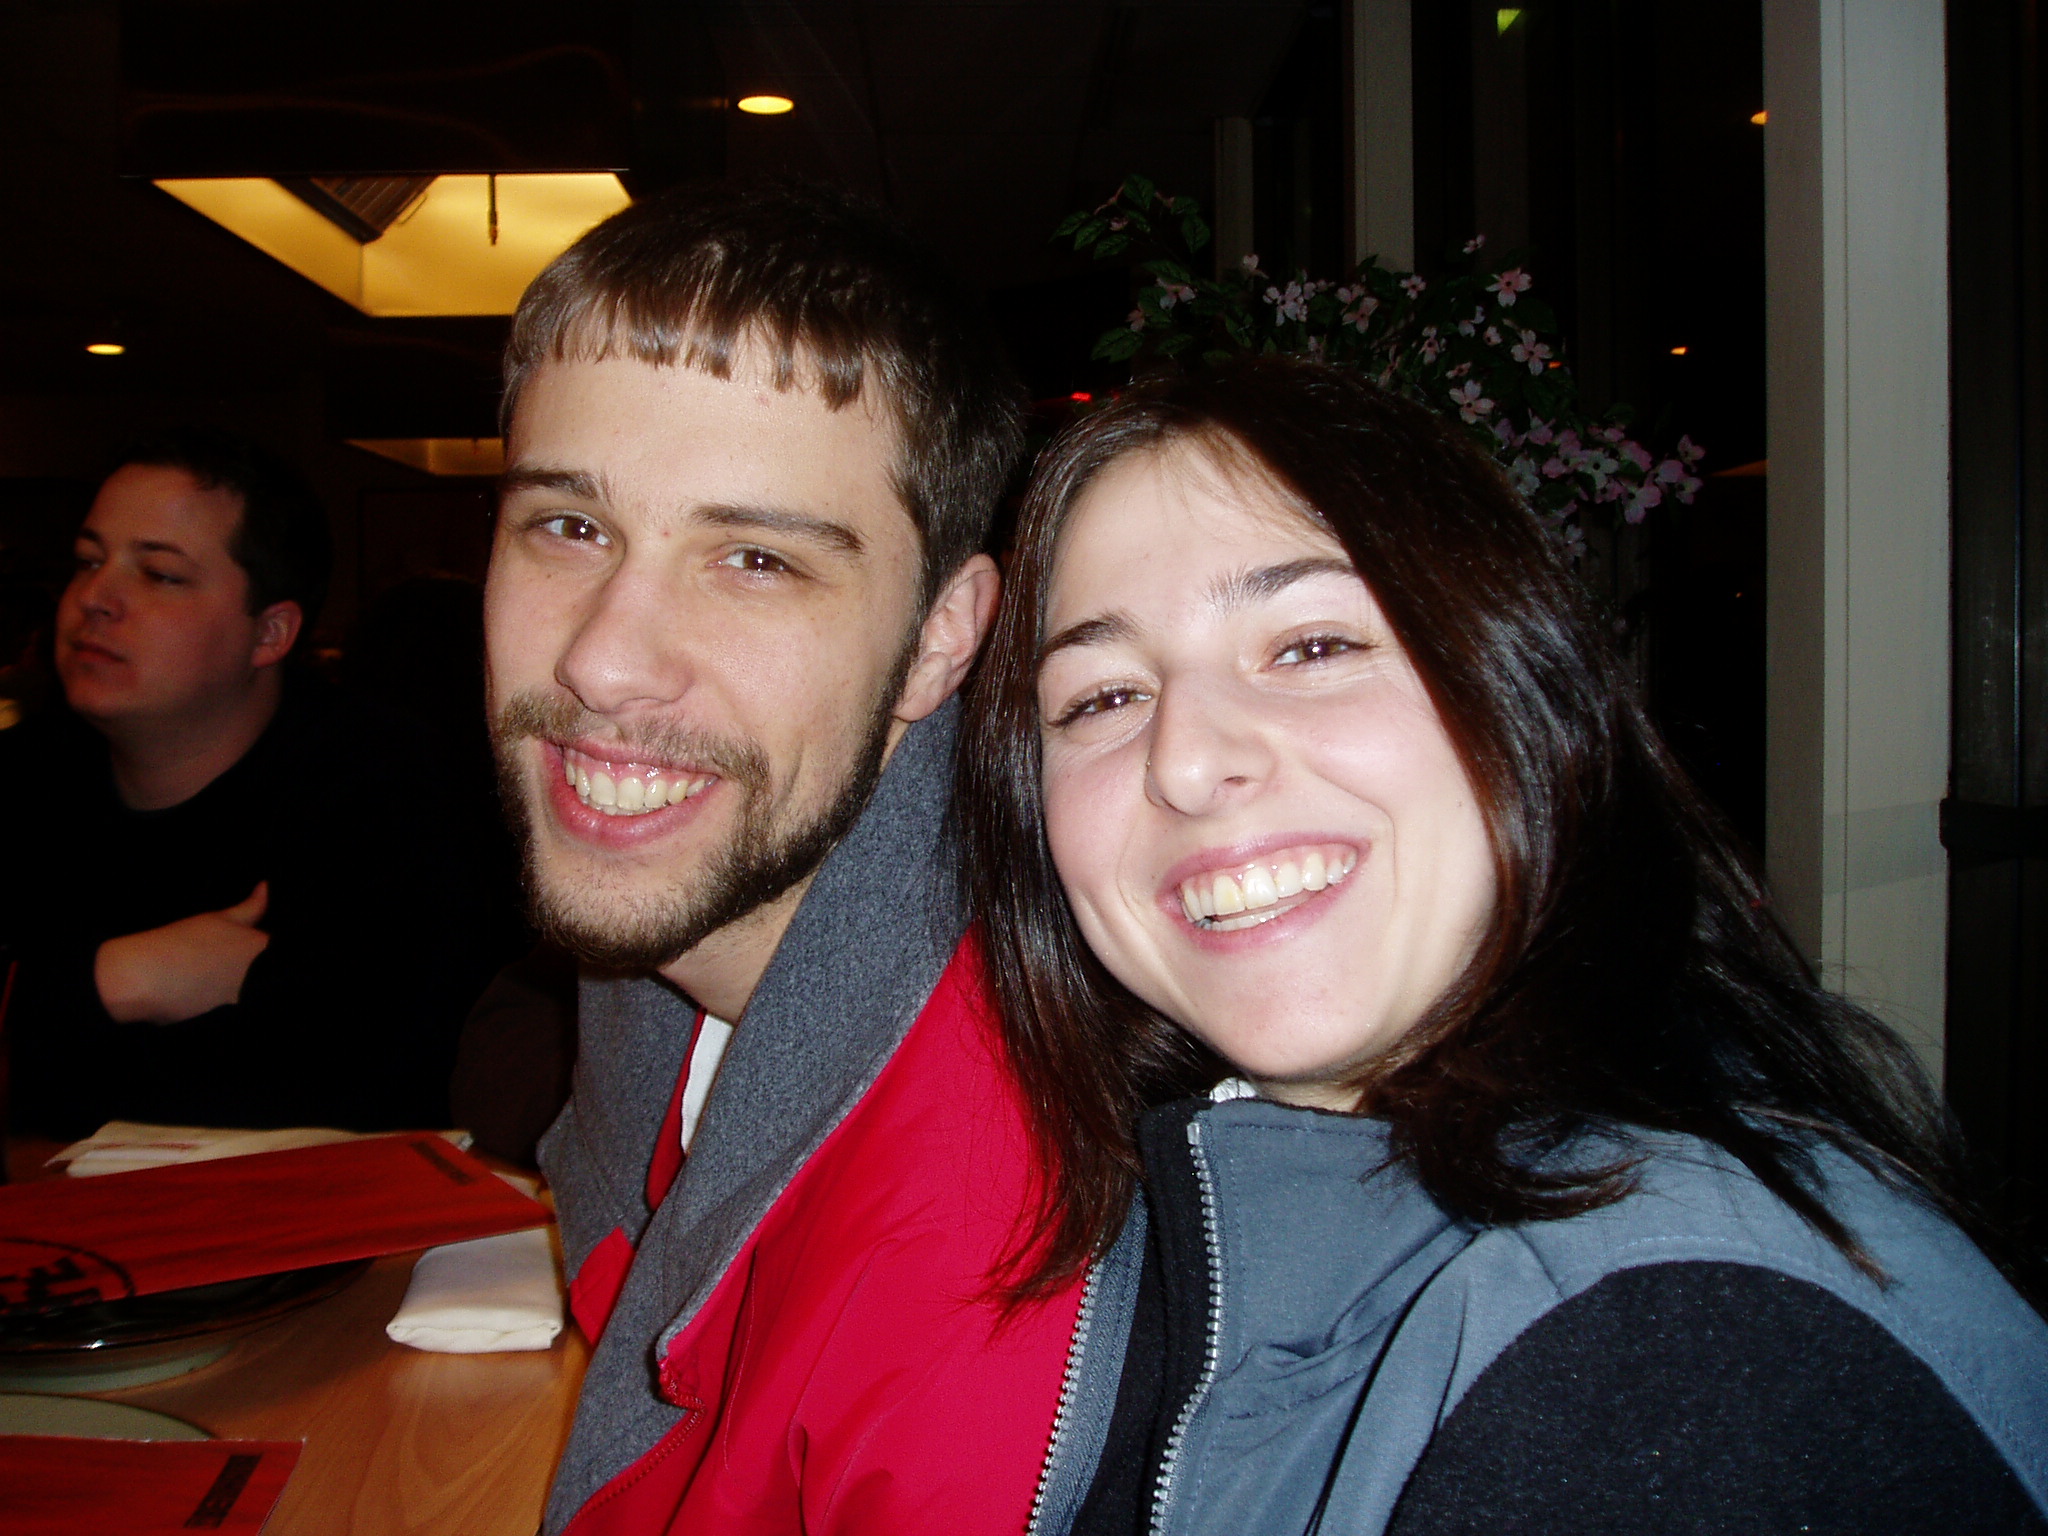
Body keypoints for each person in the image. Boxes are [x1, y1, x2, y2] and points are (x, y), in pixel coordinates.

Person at [959, 358, 2048, 1535]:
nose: (1182, 760)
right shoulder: (1186, 1228)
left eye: (1310, 646)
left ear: (1518, 685)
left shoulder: (1675, 1368)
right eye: (1102, 698)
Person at [487, 181, 1084, 1535]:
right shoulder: (665, 980)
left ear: (938, 639)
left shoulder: (974, 1261)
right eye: (569, 527)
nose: (603, 660)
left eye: (754, 558)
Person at [0, 430, 522, 1136]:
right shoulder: (24, 779)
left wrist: (46, 1013)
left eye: (159, 574)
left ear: (270, 634)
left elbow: (378, 1077)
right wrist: (124, 978)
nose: (95, 597)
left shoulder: (381, 789)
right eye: (89, 561)